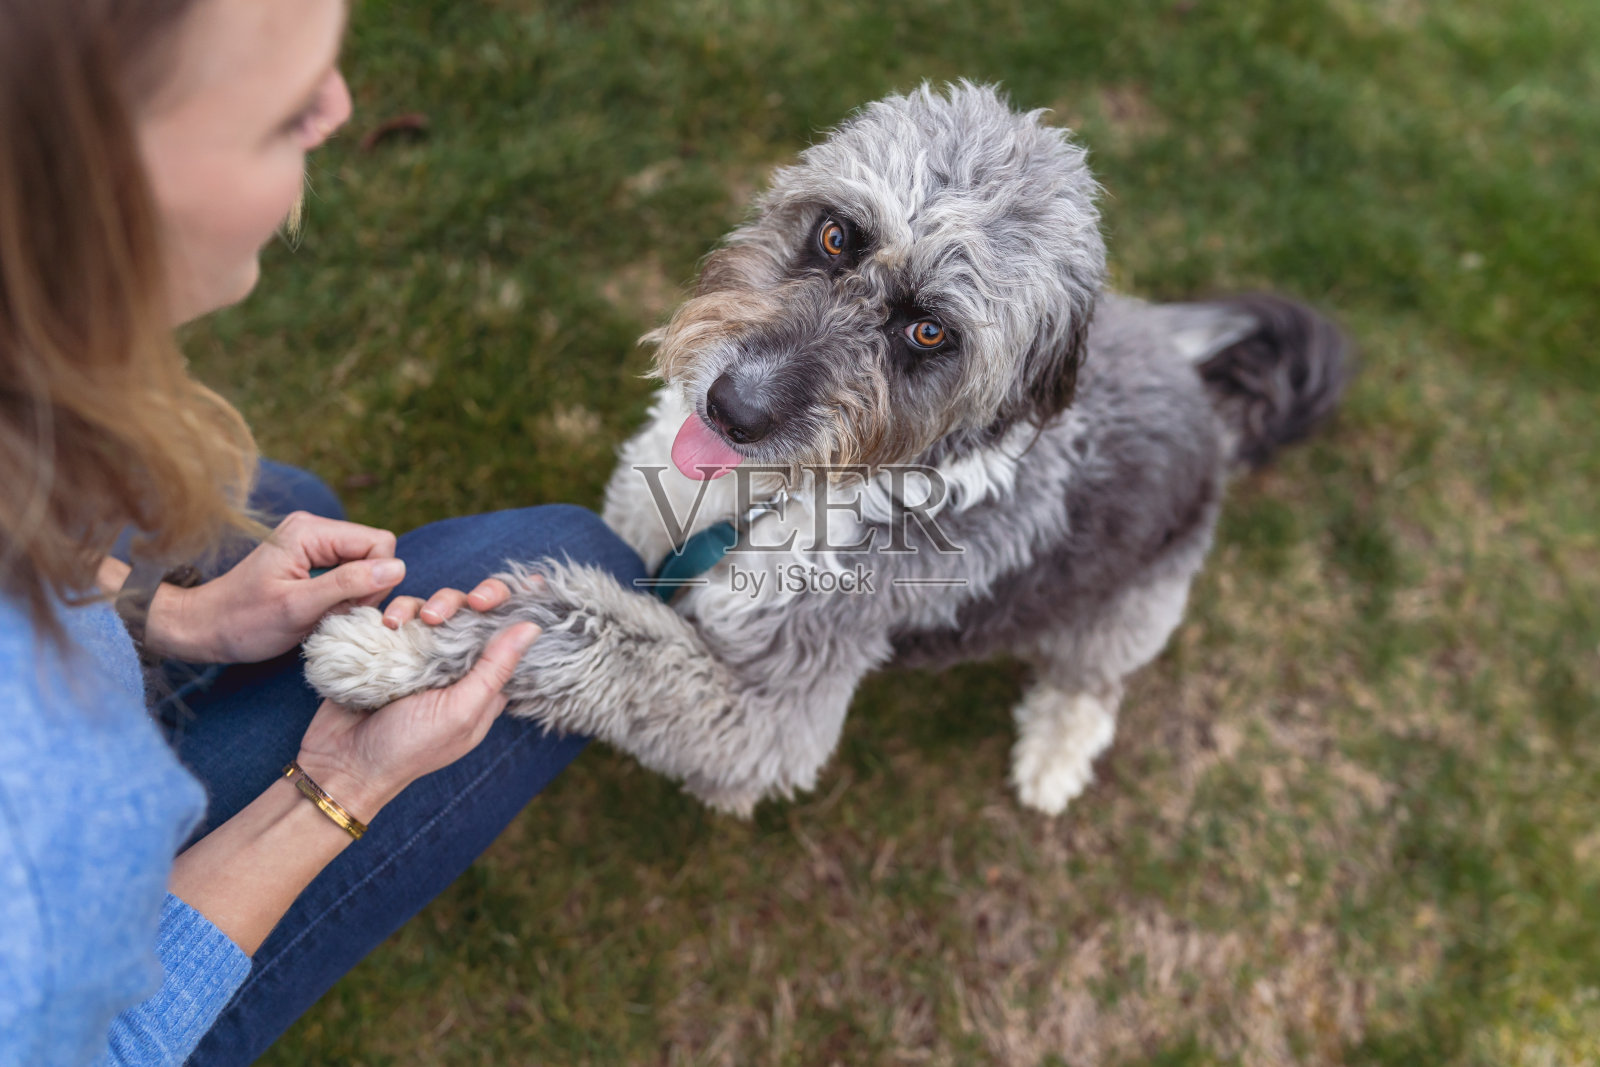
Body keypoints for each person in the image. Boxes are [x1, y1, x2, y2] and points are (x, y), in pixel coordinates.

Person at [0, 0, 645, 1063]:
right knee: (567, 580)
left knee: (285, 498)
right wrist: (337, 787)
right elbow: (107, 1040)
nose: (339, 106)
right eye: (278, 109)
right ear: (85, 182)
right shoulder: (48, 792)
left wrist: (174, 618)